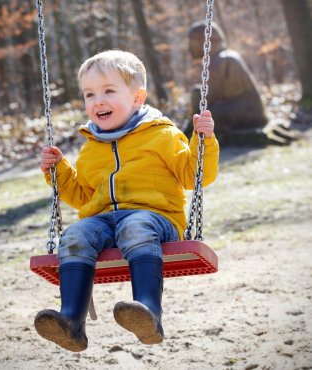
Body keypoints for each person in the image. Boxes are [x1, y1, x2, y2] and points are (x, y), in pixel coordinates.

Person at [34, 50, 219, 352]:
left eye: (109, 91)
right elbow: (83, 198)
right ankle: (71, 323)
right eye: (90, 94)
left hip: (156, 220)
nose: (98, 101)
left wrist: (203, 141)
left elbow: (193, 175)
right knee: (76, 234)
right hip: (104, 223)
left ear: (137, 97)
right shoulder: (91, 148)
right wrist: (59, 173)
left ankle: (148, 312)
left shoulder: (164, 136)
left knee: (135, 225)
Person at [187, 21, 268, 144]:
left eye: (191, 42)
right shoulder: (222, 57)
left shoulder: (217, 61)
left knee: (203, 114)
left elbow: (210, 99)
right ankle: (190, 135)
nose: (189, 47)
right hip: (247, 109)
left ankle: (189, 137)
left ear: (201, 41)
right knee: (198, 95)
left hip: (249, 112)